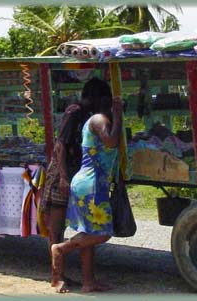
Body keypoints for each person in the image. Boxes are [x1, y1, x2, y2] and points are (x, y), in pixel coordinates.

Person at [50, 79, 123, 293]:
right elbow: (111, 141)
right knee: (103, 232)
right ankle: (61, 248)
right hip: (90, 183)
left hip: (91, 182)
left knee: (88, 233)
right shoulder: (99, 119)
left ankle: (88, 282)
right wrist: (118, 115)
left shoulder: (95, 119)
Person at [39, 79, 99, 288]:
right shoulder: (74, 112)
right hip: (62, 175)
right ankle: (57, 277)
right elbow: (60, 146)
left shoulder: (89, 116)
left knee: (82, 227)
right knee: (56, 229)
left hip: (77, 174)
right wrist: (64, 177)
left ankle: (78, 277)